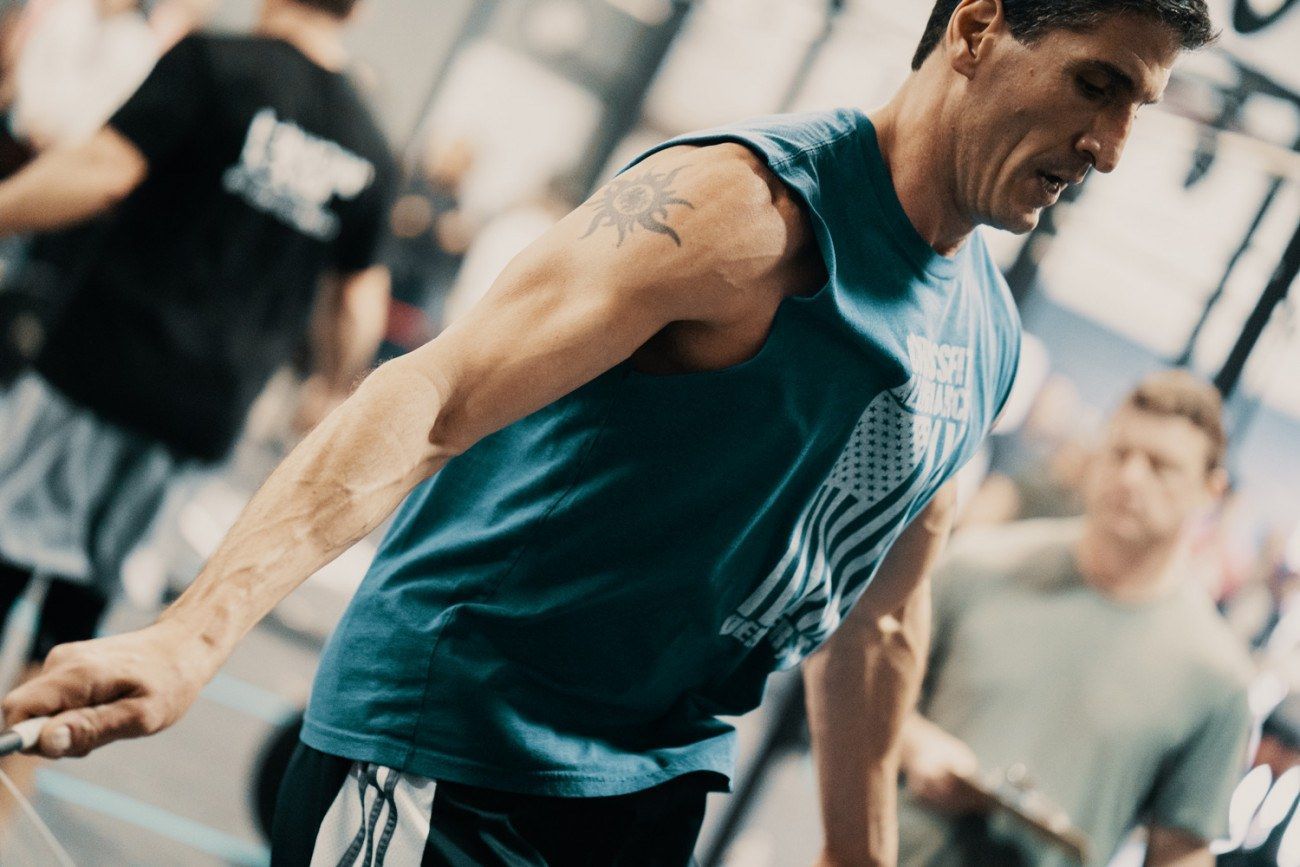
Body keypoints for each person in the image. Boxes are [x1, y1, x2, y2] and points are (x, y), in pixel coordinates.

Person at [3, 1, 1214, 864]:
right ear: (976, 26)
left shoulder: (984, 334)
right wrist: (192, 633)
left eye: (1138, 110)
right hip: (453, 756)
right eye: (1095, 84)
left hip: (647, 789)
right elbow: (428, 396)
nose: (1109, 149)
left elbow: (884, 611)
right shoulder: (741, 212)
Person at [0, 0, 395, 816]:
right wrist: (329, 386)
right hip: (199, 414)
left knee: (6, 551)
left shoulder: (216, 65)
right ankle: (13, 786)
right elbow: (357, 299)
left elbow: (104, 170)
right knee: (87, 601)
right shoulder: (366, 142)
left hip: (99, 368)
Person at [897, 370, 1254, 866]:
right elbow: (856, 695)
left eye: (1160, 466)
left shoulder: (1217, 677)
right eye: (1119, 453)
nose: (1130, 477)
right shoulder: (978, 565)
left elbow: (1180, 851)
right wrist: (916, 745)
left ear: (1209, 492)